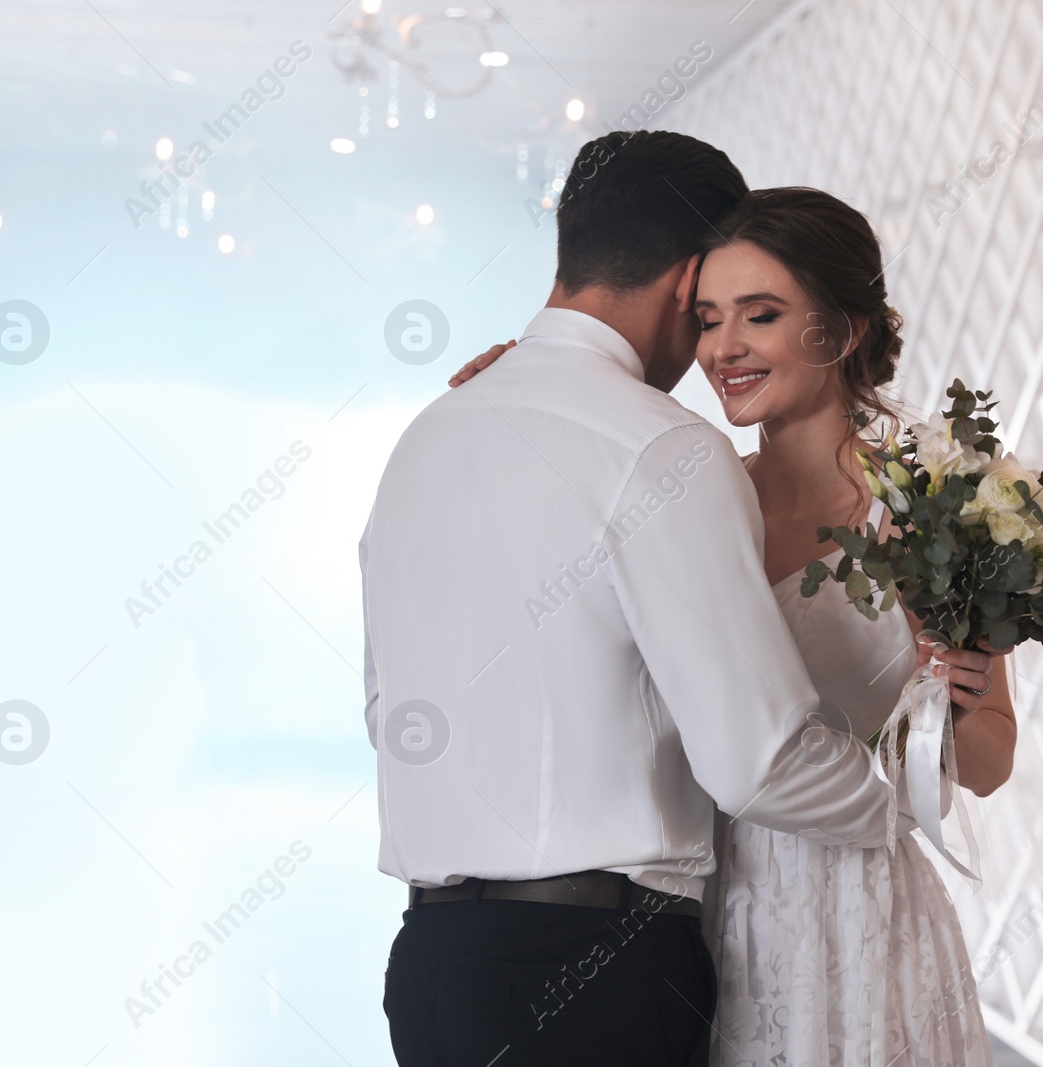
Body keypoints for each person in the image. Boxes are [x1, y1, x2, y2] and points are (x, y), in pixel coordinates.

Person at [364, 132, 1001, 1066]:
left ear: (840, 328)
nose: (721, 346)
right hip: (643, 942)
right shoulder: (676, 464)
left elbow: (389, 710)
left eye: (759, 313)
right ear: (679, 291)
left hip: (440, 961)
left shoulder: (428, 439)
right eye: (709, 314)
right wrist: (890, 809)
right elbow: (749, 765)